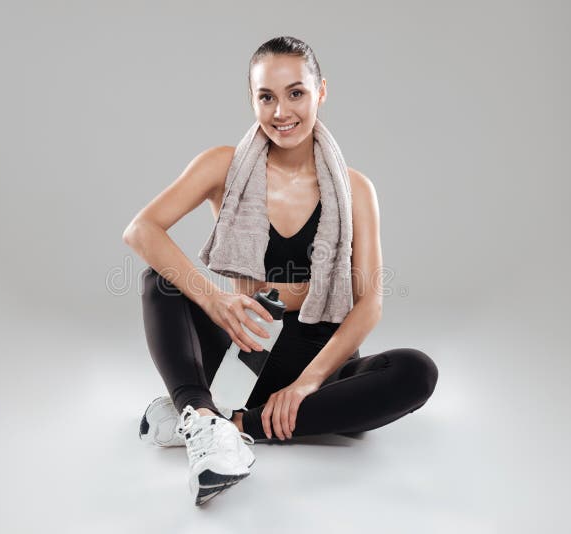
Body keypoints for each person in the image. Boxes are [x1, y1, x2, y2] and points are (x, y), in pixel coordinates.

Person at [122, 36, 438, 506]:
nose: (281, 111)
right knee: (160, 281)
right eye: (266, 96)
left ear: (321, 92)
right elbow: (142, 229)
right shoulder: (223, 165)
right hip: (243, 349)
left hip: (320, 362)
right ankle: (207, 417)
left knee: (415, 371)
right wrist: (216, 299)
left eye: (296, 93)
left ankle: (222, 423)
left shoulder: (355, 188)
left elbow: (369, 302)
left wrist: (307, 383)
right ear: (251, 98)